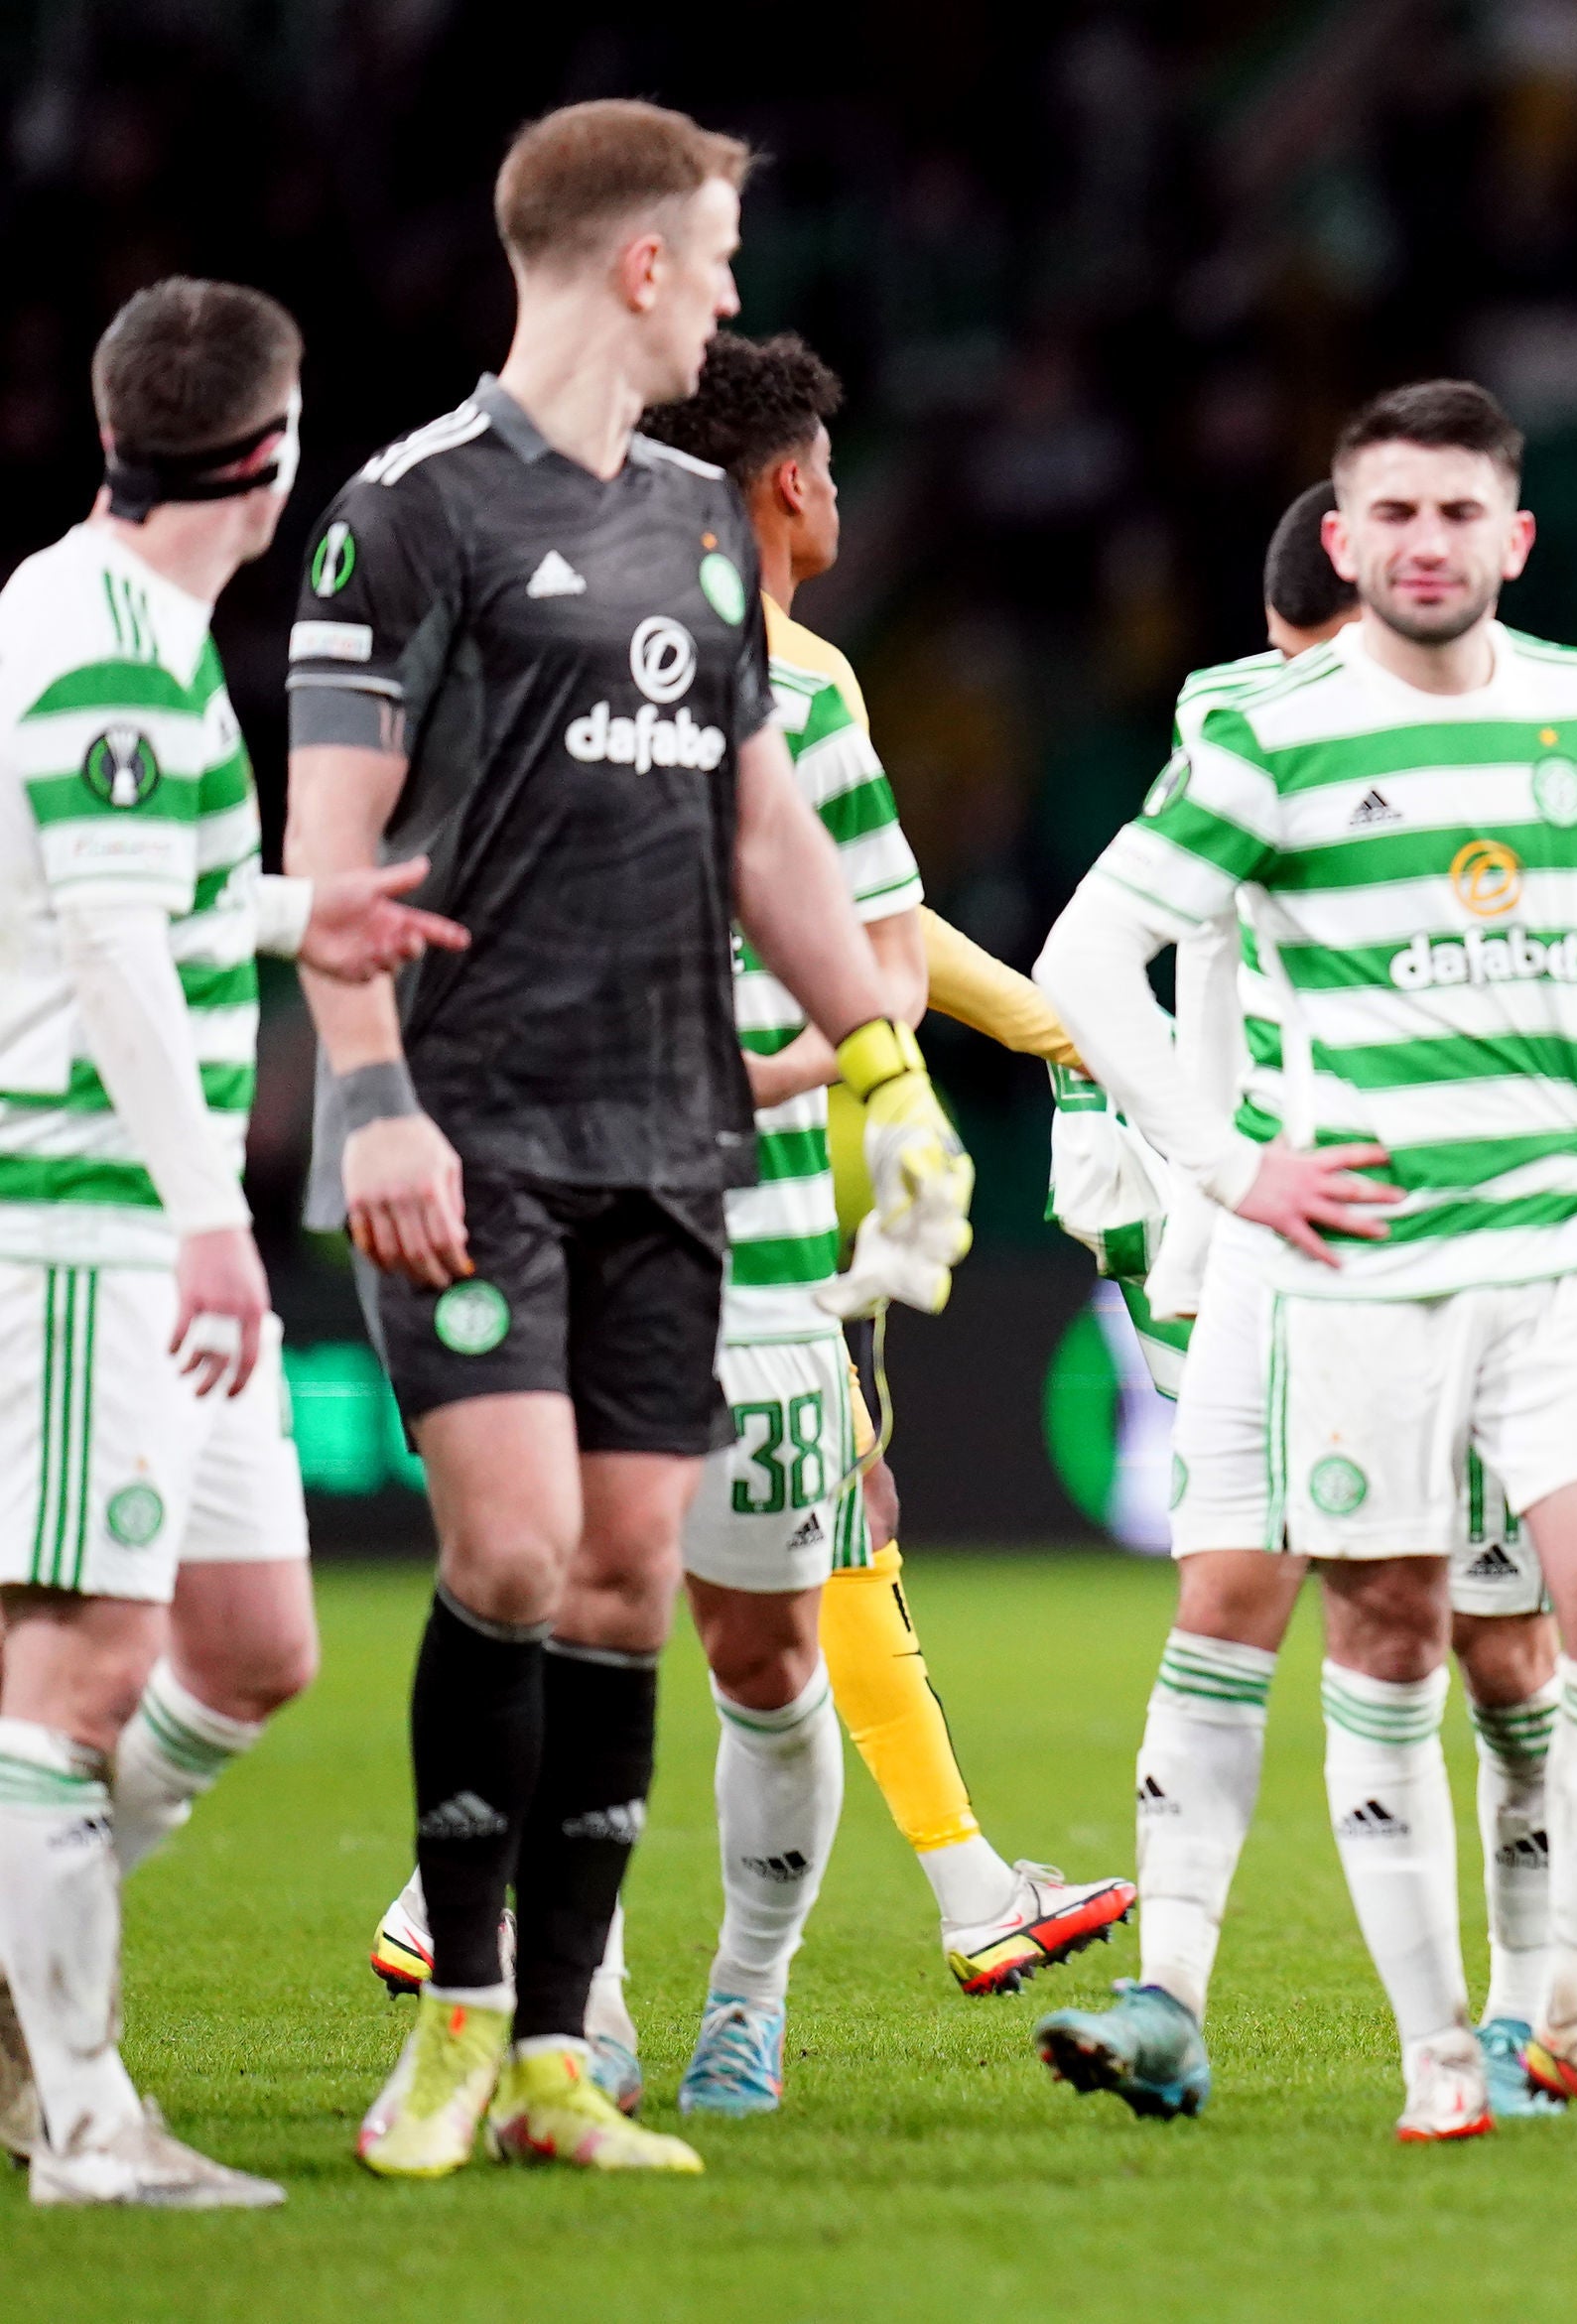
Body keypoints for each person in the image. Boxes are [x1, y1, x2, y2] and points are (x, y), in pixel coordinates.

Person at [285, 100, 970, 2180]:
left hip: (680, 1139)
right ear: (640, 263)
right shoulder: (401, 515)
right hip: (474, 1125)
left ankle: (566, 2054)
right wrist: (373, 1096)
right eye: (726, 254)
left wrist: (886, 1065)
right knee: (502, 1554)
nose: (744, 294)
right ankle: (464, 2023)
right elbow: (322, 849)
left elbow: (764, 829)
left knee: (616, 1580)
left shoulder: (693, 520)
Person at [353, 330, 1135, 2113]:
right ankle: (583, 2002)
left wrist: (895, 1059)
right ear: (793, 482)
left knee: (773, 1638)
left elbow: (871, 938)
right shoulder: (523, 657)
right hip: (559, 1214)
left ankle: (746, 2002)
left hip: (769, 1241)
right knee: (570, 1602)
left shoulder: (811, 689)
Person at [1030, 381, 1577, 2141]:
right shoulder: (1252, 734)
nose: (1424, 548)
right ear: (1345, 552)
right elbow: (1114, 962)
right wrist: (1209, 1174)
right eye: (1389, 520)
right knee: (1312, 1616)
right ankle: (1244, 2006)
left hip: (1553, 1249)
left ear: (1509, 537)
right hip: (1326, 1253)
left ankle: (1555, 2002)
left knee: (1574, 1627)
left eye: (1456, 515)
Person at [0, 276, 463, 2207]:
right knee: (77, 1670)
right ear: (271, 456)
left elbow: (149, 894)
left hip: (163, 1237)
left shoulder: (134, 619)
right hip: (91, 1232)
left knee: (255, 1644)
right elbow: (104, 952)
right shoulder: (103, 632)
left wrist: (301, 920)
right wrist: (208, 1219)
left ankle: (28, 2002)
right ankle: (81, 2115)